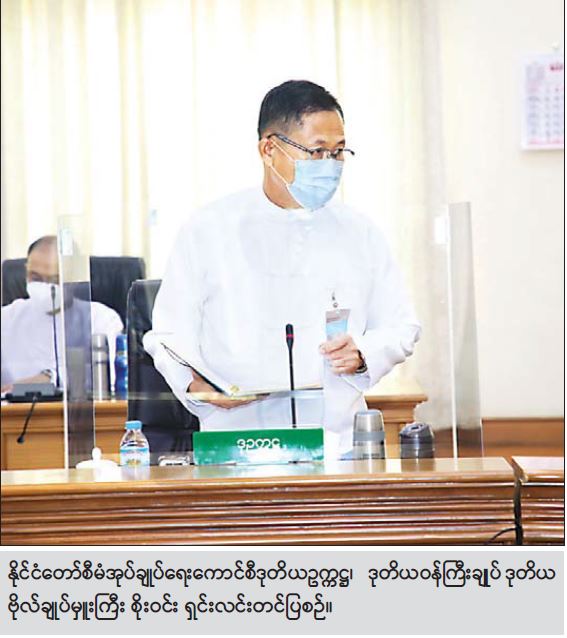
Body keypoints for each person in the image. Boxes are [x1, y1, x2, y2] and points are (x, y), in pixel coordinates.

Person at [144, 80, 420, 458]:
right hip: (235, 443)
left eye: (339, 152)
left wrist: (363, 353)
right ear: (269, 149)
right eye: (317, 151)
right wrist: (194, 385)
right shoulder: (209, 229)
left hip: (335, 442)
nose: (330, 165)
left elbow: (402, 325)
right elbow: (168, 333)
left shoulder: (360, 232)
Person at [1, 235, 124, 391]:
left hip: (80, 406)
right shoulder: (7, 318)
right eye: (35, 278)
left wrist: (49, 379)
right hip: (13, 407)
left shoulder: (101, 318)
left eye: (54, 280)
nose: (45, 287)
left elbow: (108, 374)